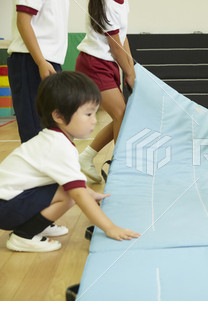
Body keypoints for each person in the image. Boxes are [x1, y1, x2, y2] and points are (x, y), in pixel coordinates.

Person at [0, 71, 140, 252]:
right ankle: (23, 235)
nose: (94, 121)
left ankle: (38, 223)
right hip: (5, 208)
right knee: (68, 195)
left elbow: (73, 180)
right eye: (88, 114)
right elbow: (78, 194)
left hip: (10, 201)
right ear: (58, 116)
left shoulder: (55, 139)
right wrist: (110, 227)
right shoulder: (59, 147)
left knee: (66, 188)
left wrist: (92, 193)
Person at [76, 0, 135, 183]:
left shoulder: (123, 3)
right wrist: (129, 73)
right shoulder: (107, 5)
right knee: (121, 114)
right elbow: (116, 49)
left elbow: (123, 39)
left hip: (108, 64)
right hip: (95, 64)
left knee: (123, 115)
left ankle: (86, 157)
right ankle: (119, 171)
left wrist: (131, 70)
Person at [7, 0, 69, 143]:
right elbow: (23, 22)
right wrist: (40, 61)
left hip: (50, 61)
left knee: (54, 129)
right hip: (32, 60)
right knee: (35, 133)